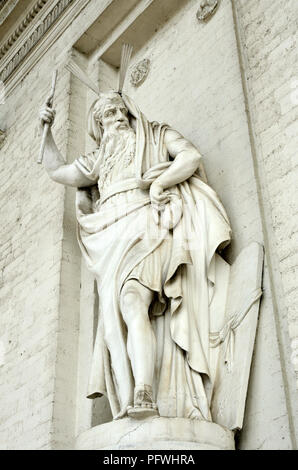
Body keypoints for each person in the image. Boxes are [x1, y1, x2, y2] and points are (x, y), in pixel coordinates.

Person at [39, 91, 231, 421]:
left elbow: (190, 156)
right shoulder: (99, 159)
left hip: (146, 222)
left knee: (131, 300)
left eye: (119, 110)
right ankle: (126, 400)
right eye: (106, 115)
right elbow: (58, 171)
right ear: (99, 125)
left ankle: (144, 390)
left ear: (128, 112)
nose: (115, 117)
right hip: (108, 235)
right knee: (112, 322)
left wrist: (160, 185)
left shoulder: (155, 134)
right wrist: (46, 129)